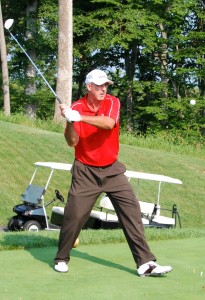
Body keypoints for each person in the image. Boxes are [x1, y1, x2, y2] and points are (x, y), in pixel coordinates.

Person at [54, 69, 172, 277]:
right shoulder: (77, 107)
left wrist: (80, 117)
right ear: (89, 86)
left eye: (106, 85)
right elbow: (72, 142)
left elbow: (109, 124)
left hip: (112, 170)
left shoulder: (112, 102)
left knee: (131, 212)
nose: (103, 89)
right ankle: (62, 258)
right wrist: (71, 121)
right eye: (99, 85)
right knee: (74, 216)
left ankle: (145, 263)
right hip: (85, 172)